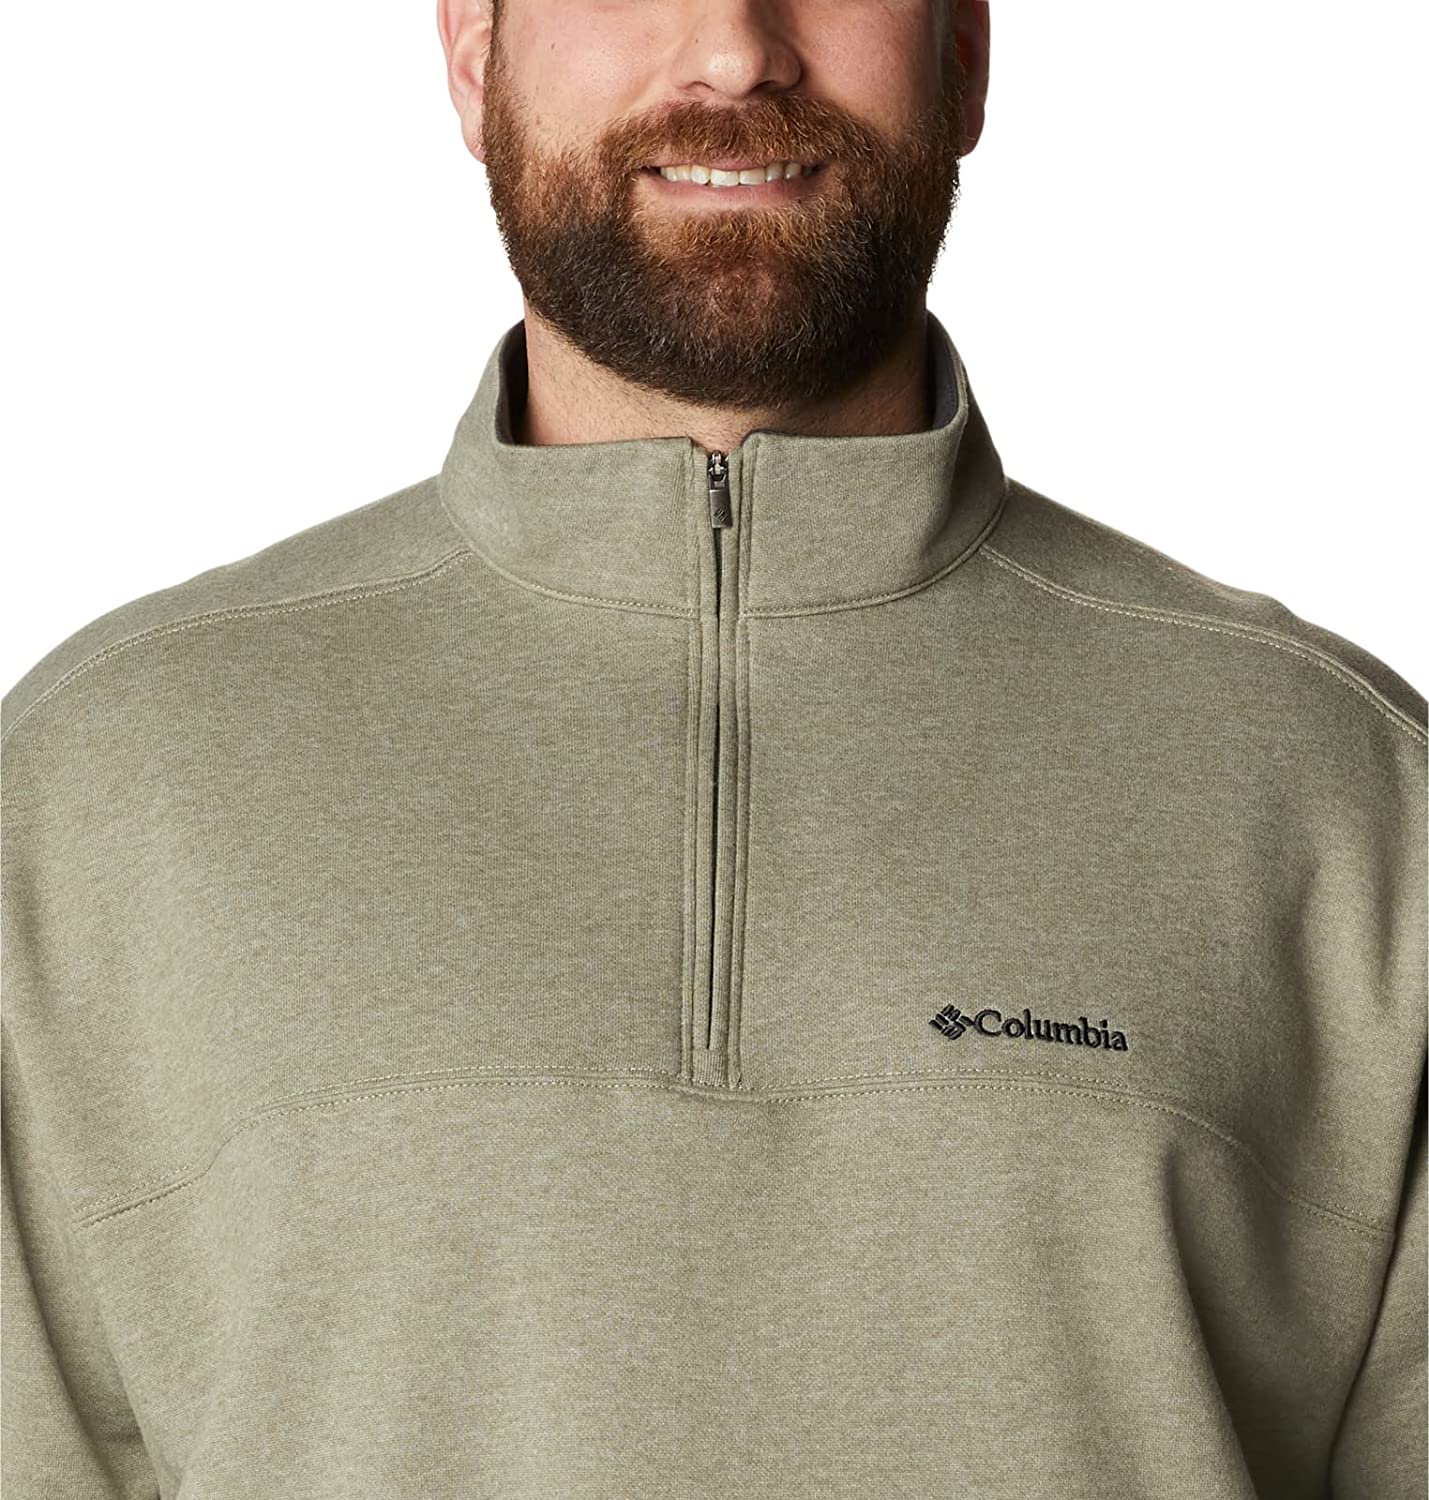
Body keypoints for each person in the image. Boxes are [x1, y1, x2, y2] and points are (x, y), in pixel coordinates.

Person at [2, 0, 1424, 1494]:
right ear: (475, 55)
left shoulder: (1341, 793)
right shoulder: (103, 785)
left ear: (964, 53)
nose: (737, 47)